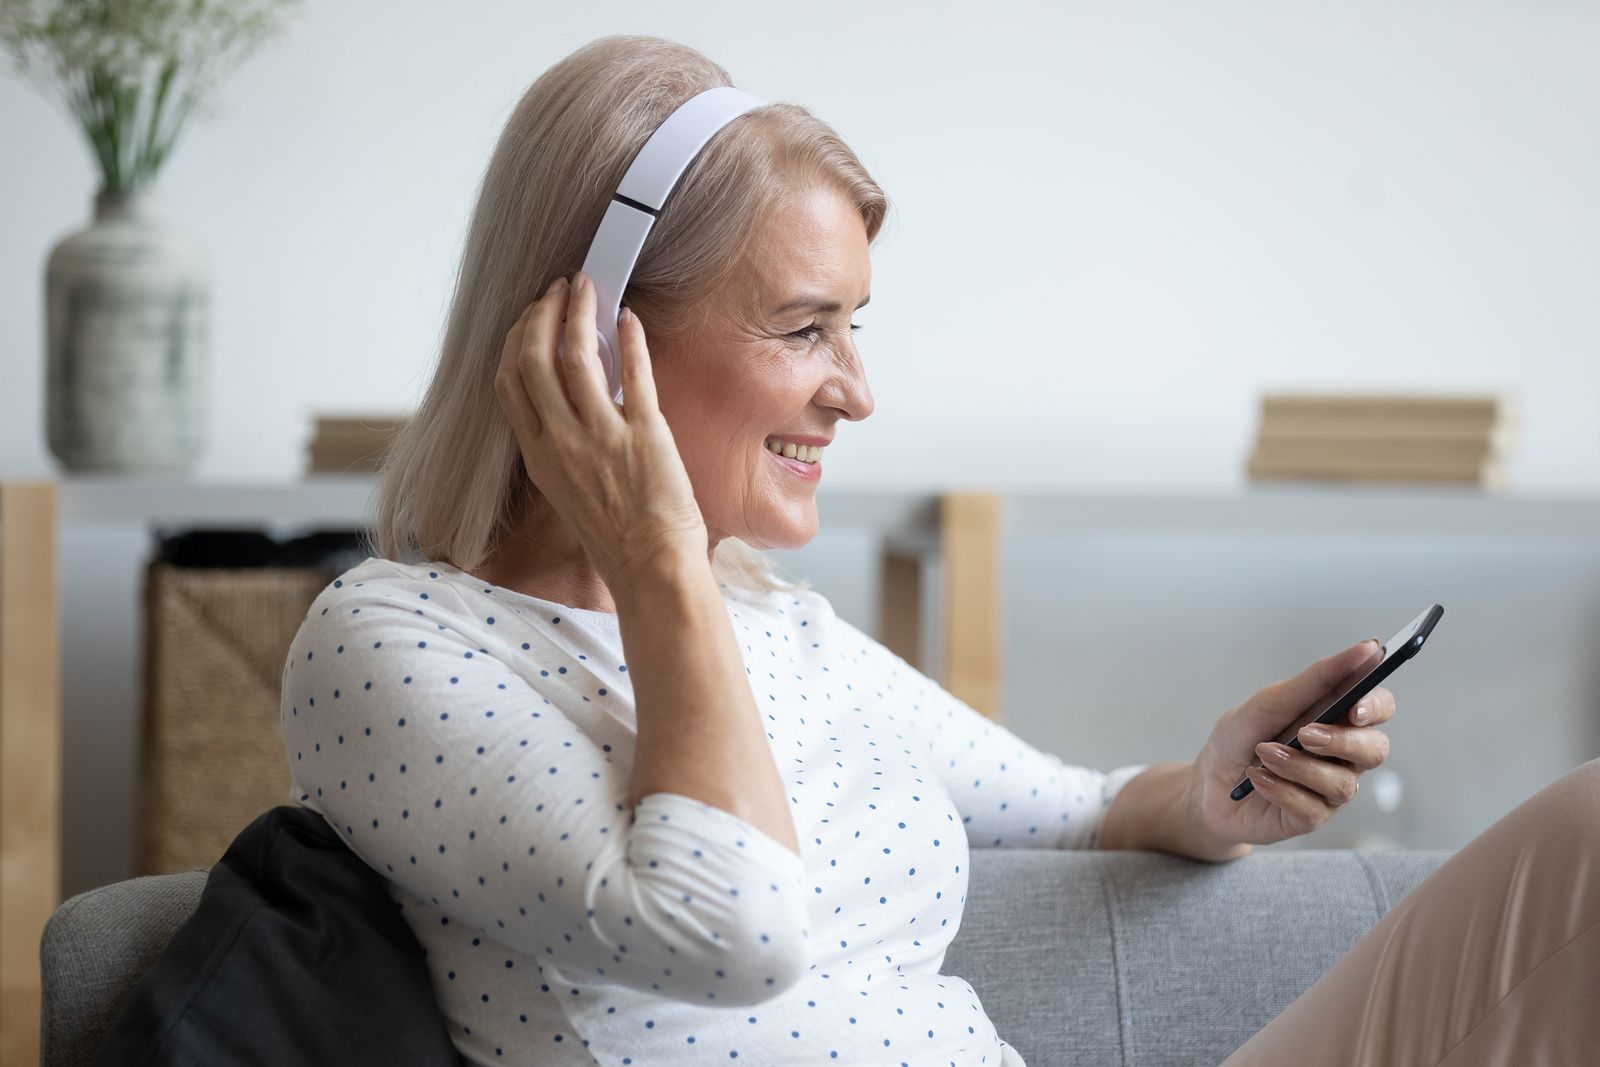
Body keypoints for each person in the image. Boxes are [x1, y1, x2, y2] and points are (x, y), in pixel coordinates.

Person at [280, 34, 1598, 1067]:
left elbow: (1076, 808)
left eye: (857, 328)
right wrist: (656, 557)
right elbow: (731, 932)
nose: (855, 391)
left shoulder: (776, 625)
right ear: (598, 338)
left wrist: (1210, 790)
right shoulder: (389, 645)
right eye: (805, 329)